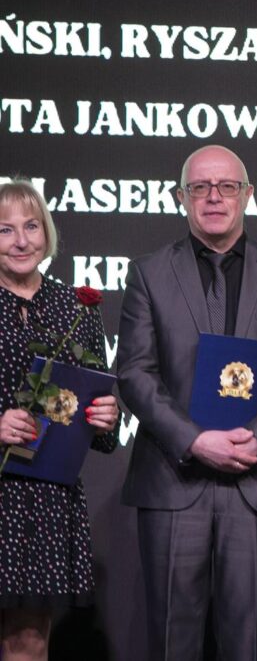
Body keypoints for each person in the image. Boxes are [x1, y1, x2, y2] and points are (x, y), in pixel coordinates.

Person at [116, 146, 257, 661]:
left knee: (248, 643)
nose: (214, 197)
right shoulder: (148, 273)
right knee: (172, 642)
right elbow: (135, 372)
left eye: (227, 186)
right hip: (174, 478)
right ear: (181, 198)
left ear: (247, 195)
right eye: (200, 187)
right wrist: (194, 440)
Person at [0, 180, 119, 660]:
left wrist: (107, 415)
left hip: (44, 495)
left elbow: (98, 415)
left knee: (28, 641)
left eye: (31, 226)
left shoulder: (75, 308)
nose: (21, 241)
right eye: (5, 230)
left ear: (46, 233)